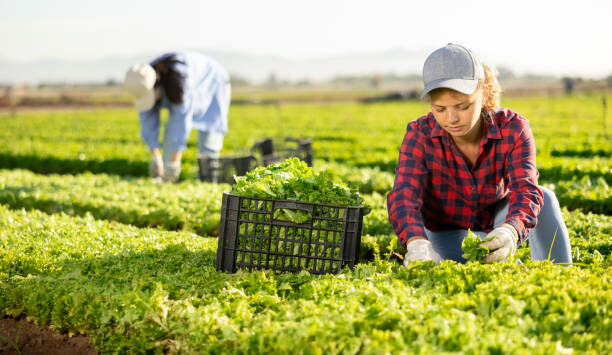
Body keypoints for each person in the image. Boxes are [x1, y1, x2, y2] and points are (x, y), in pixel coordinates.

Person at [387, 43, 572, 265]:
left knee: (546, 198)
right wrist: (416, 243)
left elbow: (526, 189)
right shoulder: (420, 134)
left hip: (497, 219)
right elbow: (404, 195)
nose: (451, 119)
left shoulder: (513, 128)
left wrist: (511, 231)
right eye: (440, 109)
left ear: (483, 93)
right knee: (499, 266)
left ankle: (561, 272)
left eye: (462, 106)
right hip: (445, 230)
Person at [124, 51, 231, 183]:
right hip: (188, 87)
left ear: (157, 86)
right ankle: (165, 180)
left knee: (209, 139)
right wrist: (155, 154)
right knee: (169, 143)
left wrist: (174, 162)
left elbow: (181, 123)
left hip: (213, 83)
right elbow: (147, 120)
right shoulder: (140, 81)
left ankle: (208, 182)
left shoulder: (179, 80)